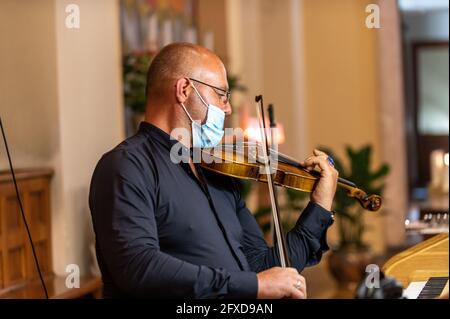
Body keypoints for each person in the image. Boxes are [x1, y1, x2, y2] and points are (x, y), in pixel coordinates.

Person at [89, 42, 338, 299]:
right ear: (184, 89)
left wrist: (319, 207)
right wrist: (253, 286)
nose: (228, 108)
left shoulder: (215, 172)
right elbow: (138, 268)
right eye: (222, 94)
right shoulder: (126, 166)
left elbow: (264, 268)